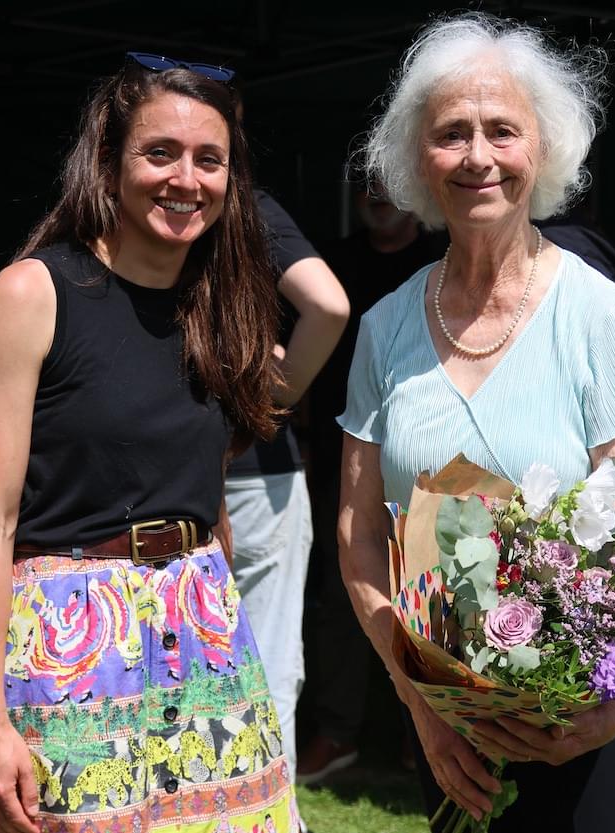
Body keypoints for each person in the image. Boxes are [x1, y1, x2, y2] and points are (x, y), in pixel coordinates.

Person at [337, 12, 615, 833]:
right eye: (452, 133)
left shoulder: (604, 315)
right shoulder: (383, 328)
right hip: (450, 722)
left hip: (587, 720)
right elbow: (359, 538)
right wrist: (418, 699)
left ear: (544, 150)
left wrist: (608, 707)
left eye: (502, 130)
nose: (478, 156)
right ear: (419, 159)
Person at [0, 53, 301, 833]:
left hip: (202, 627)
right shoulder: (33, 294)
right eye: (161, 153)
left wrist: (221, 612)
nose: (187, 178)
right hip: (71, 640)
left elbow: (208, 498)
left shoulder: (222, 306)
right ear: (109, 162)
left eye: (210, 159)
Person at [297, 175, 445, 783]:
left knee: (435, 590)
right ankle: (338, 733)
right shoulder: (332, 263)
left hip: (428, 458)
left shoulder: (441, 260)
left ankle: (429, 725)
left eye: (387, 184)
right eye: (362, 184)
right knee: (341, 598)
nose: (374, 194)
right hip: (346, 452)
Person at [223, 184, 348, 786]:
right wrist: (277, 395)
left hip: (154, 476)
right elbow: (328, 306)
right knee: (267, 664)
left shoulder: (117, 201)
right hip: (256, 473)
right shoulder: (244, 200)